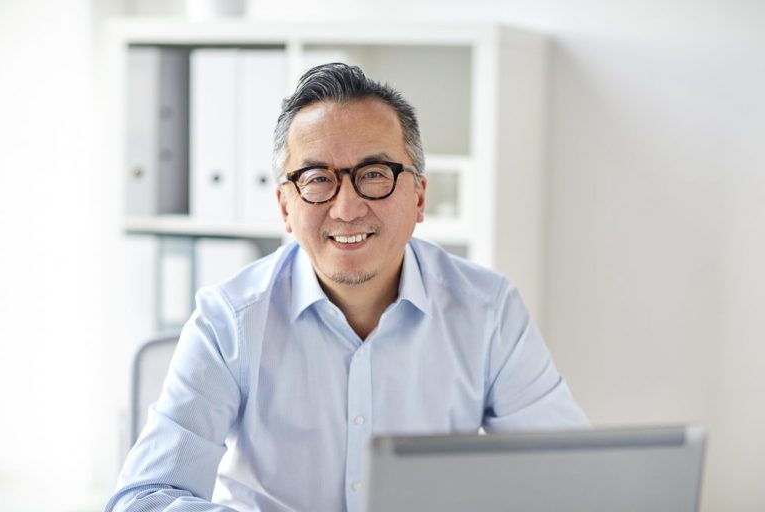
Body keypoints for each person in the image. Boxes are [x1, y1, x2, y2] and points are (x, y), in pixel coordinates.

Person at [106, 63, 588, 512]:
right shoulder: (229, 321)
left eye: (374, 175)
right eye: (318, 179)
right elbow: (143, 498)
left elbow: (570, 481)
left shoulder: (487, 311)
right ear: (285, 207)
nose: (346, 207)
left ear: (419, 196)